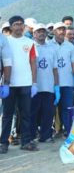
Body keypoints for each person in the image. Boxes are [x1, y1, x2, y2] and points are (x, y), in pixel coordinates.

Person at [0, 15, 38, 153]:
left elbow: (33, 63)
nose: (19, 26)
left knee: (26, 114)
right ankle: (3, 143)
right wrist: (3, 83)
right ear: (10, 27)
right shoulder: (5, 41)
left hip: (26, 84)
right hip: (8, 84)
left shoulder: (29, 42)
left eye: (21, 24)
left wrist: (34, 83)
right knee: (7, 115)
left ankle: (26, 141)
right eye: (16, 24)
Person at [49, 22, 74, 136]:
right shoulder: (48, 45)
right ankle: (49, 132)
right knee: (50, 110)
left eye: (63, 29)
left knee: (67, 108)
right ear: (54, 31)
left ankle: (68, 131)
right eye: (59, 29)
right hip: (52, 83)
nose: (61, 31)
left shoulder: (70, 46)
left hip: (67, 82)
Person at [30, 23, 59, 143]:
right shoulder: (31, 47)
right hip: (34, 87)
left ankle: (45, 136)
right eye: (38, 31)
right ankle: (30, 137)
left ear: (46, 33)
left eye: (43, 31)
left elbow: (55, 69)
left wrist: (57, 86)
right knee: (32, 113)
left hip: (48, 86)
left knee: (48, 113)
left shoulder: (52, 49)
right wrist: (32, 84)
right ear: (34, 34)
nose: (41, 33)